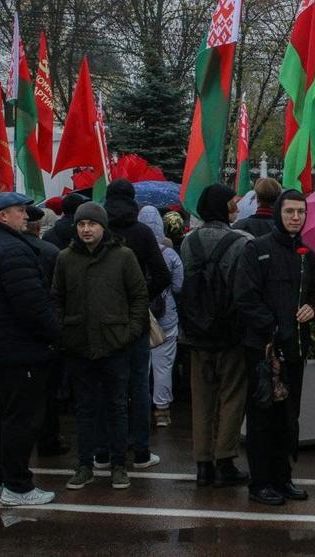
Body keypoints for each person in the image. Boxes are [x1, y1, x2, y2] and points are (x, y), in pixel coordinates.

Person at [53, 202, 148, 491]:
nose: (85, 229)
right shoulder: (66, 258)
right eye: (81, 224)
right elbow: (56, 298)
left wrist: (129, 333)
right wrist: (63, 331)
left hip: (115, 346)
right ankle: (84, 465)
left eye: (91, 224)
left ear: (103, 227)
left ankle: (119, 465)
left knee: (117, 407)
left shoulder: (123, 256)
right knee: (85, 409)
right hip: (79, 346)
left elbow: (138, 297)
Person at [234, 189, 315, 505]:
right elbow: (244, 297)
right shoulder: (256, 250)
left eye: (300, 212)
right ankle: (261, 483)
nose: (295, 217)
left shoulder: (307, 256)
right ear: (279, 213)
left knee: (288, 417)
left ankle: (283, 478)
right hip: (263, 351)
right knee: (262, 418)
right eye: (290, 212)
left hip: (294, 350)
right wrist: (272, 327)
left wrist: (311, 307)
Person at [0, 193, 61, 506]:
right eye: (20, 211)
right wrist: (57, 335)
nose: (26, 217)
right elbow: (32, 305)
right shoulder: (14, 249)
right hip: (18, 351)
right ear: (3, 216)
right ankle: (17, 486)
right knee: (21, 420)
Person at [180, 185, 251, 488]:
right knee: (232, 396)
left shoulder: (187, 242)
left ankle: (202, 464)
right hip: (230, 333)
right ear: (222, 207)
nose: (236, 206)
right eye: (232, 202)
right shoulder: (242, 242)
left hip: (195, 333)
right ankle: (225, 460)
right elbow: (245, 290)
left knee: (202, 398)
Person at [101, 179, 171, 470]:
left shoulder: (96, 230)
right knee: (138, 384)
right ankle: (140, 450)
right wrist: (142, 297)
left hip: (102, 320)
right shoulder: (142, 232)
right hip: (136, 319)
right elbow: (163, 276)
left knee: (105, 386)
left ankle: (103, 452)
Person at [23, 206, 69, 457]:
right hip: (47, 330)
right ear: (38, 227)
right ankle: (48, 439)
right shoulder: (51, 252)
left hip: (19, 333)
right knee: (48, 391)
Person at [138, 206, 183, 427]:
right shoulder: (170, 254)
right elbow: (178, 285)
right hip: (166, 315)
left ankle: (140, 405)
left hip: (139, 314)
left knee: (140, 364)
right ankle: (162, 411)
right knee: (163, 365)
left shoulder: (132, 249)